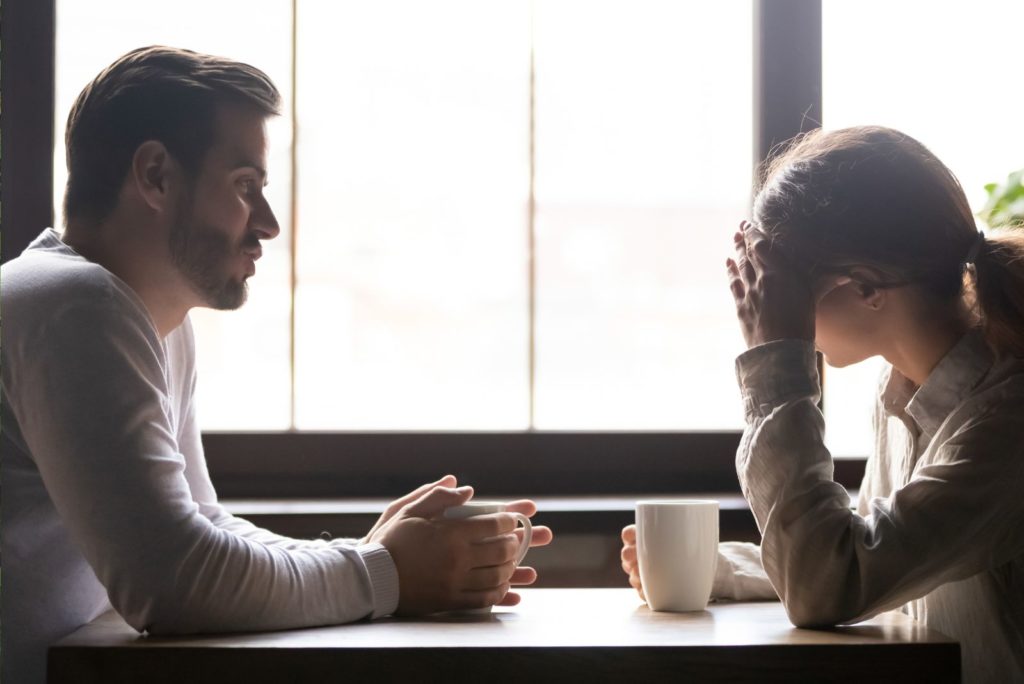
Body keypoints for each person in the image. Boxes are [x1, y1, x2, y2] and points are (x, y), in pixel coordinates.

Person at [0, 46, 552, 684]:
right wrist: (389, 573)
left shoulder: (145, 320)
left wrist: (373, 558)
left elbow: (199, 526)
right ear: (154, 175)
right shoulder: (75, 305)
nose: (267, 224)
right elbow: (174, 581)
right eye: (244, 187)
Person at [621, 126, 1024, 683]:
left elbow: (829, 586)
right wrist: (710, 568)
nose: (763, 301)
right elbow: (882, 555)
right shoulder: (905, 389)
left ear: (865, 287)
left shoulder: (1006, 422)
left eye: (780, 282)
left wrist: (775, 361)